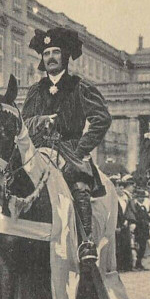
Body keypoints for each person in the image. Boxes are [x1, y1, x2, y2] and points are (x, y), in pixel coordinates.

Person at [23, 26, 112, 263]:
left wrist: (81, 149)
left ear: (65, 56)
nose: (50, 57)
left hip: (70, 149)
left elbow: (102, 119)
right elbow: (23, 123)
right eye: (46, 53)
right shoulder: (35, 90)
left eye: (55, 52)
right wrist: (40, 121)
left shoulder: (80, 87)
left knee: (79, 184)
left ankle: (86, 240)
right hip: (38, 149)